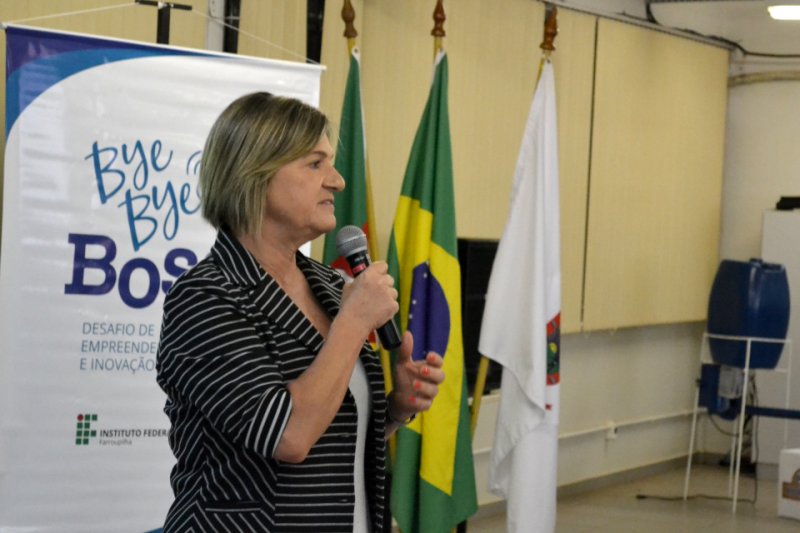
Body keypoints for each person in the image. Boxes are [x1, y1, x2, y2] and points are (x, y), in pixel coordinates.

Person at [155, 91, 445, 533]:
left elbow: (335, 433)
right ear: (254, 173)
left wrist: (395, 409)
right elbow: (288, 435)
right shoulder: (205, 297)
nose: (338, 181)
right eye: (315, 164)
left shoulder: (330, 285)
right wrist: (353, 322)